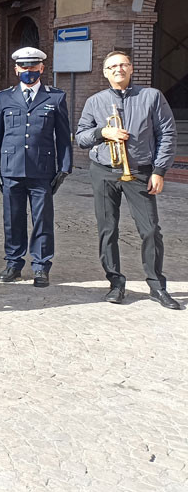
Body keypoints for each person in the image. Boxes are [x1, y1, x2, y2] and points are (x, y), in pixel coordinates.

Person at [76, 50, 181, 310]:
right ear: (105, 72)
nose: (118, 69)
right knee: (108, 229)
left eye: (123, 65)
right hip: (104, 170)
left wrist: (159, 171)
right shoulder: (95, 101)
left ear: (132, 69)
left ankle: (157, 286)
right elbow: (80, 137)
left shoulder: (152, 96)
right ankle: (115, 283)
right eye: (112, 66)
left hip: (140, 171)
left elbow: (167, 134)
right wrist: (103, 132)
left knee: (150, 230)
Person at [0, 47, 72, 288]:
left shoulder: (55, 97)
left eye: (33, 67)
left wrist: (64, 168)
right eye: (24, 67)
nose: (29, 72)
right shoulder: (5, 97)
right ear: (16, 69)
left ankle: (41, 266)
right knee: (12, 218)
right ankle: (14, 263)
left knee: (42, 220)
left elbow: (63, 136)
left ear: (42, 68)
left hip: (41, 169)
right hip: (10, 167)